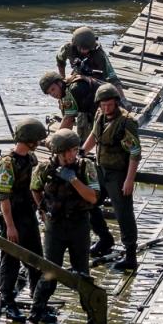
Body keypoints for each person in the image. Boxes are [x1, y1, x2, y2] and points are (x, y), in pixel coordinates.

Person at [29, 129, 101, 324]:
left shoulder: (86, 167)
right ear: (57, 153)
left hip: (79, 225)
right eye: (66, 152)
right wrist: (43, 209)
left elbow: (93, 197)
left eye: (74, 150)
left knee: (83, 275)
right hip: (55, 227)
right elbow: (35, 188)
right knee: (49, 273)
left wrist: (74, 180)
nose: (71, 155)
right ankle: (34, 318)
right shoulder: (44, 168)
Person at [39, 71, 113, 255]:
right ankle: (103, 237)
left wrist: (54, 140)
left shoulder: (72, 90)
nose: (53, 94)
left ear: (59, 83)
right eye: (49, 93)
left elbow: (69, 119)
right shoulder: (69, 90)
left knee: (89, 199)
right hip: (97, 122)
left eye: (53, 89)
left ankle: (104, 238)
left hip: (103, 123)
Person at [82, 84, 141, 271]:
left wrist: (129, 180)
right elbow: (94, 136)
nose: (106, 108)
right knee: (88, 201)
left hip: (118, 174)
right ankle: (104, 238)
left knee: (123, 213)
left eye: (109, 104)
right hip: (100, 170)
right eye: (103, 105)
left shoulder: (126, 122)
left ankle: (130, 255)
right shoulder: (100, 115)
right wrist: (82, 152)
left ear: (116, 102)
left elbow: (135, 152)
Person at [0, 118, 48, 321]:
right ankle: (8, 302)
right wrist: (10, 226)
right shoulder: (7, 163)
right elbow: (3, 197)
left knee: (36, 259)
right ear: (30, 140)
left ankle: (38, 302)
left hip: (28, 214)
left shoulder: (31, 159)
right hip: (12, 217)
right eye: (37, 139)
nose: (39, 143)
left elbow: (35, 188)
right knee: (11, 260)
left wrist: (41, 209)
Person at [56, 26, 124, 95]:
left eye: (87, 48)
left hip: (96, 79)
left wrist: (122, 97)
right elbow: (60, 61)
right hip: (78, 73)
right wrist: (63, 78)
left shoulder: (99, 54)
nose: (85, 51)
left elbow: (112, 77)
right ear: (76, 44)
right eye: (82, 48)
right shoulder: (68, 49)